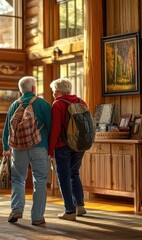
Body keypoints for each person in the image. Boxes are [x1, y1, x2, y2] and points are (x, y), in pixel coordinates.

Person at [2, 76, 52, 226]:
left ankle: (16, 209)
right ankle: (37, 217)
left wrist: (6, 148)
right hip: (39, 146)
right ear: (34, 88)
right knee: (40, 181)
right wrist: (51, 148)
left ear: (21, 90)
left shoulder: (13, 106)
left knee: (18, 179)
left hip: (18, 148)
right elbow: (51, 127)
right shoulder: (43, 104)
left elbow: (6, 130)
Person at [48, 77, 87, 221]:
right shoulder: (81, 102)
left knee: (63, 177)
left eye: (53, 91)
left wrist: (50, 150)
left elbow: (56, 130)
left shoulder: (57, 104)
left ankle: (70, 211)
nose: (52, 94)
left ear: (58, 91)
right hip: (79, 145)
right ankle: (80, 206)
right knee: (74, 174)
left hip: (63, 146)